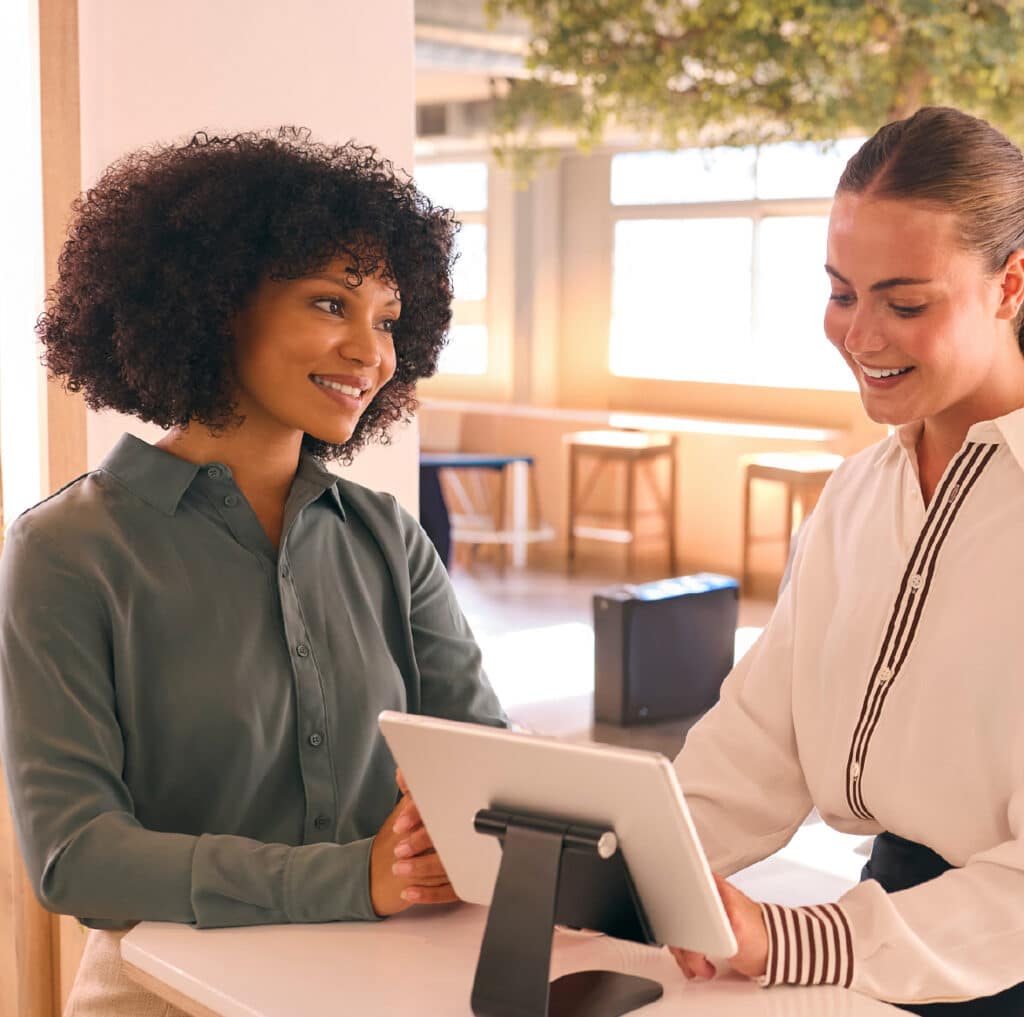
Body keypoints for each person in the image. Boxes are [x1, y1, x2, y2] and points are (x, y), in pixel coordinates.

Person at [0, 129, 506, 1015]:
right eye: (329, 303)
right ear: (216, 300)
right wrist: (352, 877)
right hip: (162, 993)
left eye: (386, 319)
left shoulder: (386, 536)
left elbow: (485, 769)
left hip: (386, 980)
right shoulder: (66, 550)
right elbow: (75, 857)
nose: (370, 352)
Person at [671, 106, 1024, 1015]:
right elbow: (763, 738)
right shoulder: (857, 493)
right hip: (888, 935)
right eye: (840, 291)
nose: (860, 335)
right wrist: (622, 857)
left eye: (905, 302)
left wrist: (794, 938)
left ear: (1010, 286)